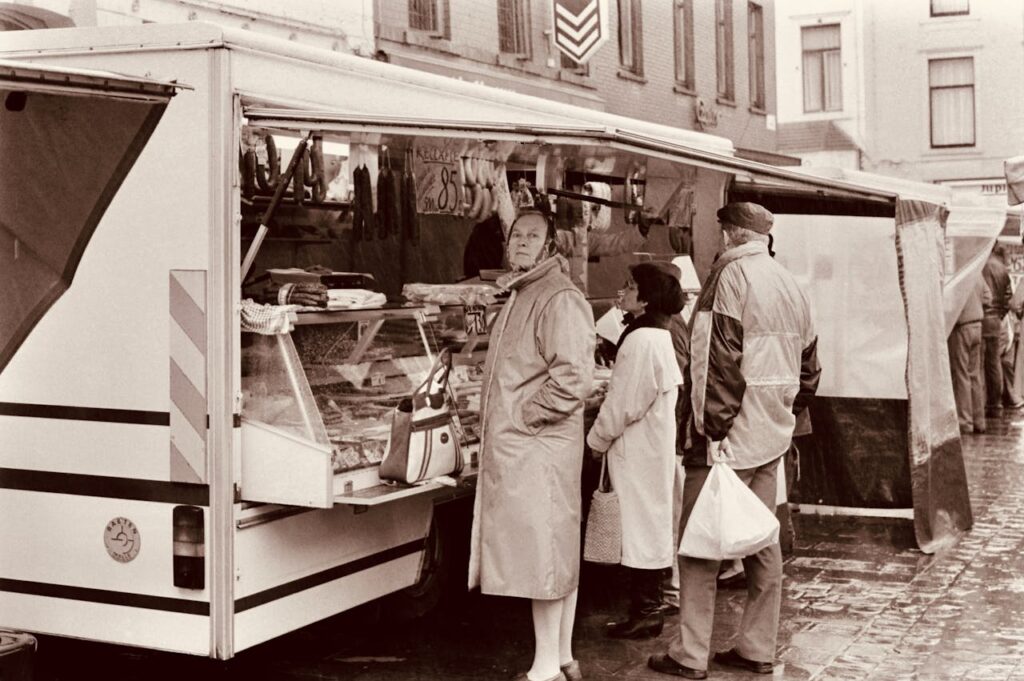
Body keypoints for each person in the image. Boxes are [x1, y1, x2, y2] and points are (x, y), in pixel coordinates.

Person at [649, 202, 821, 680]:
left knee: (700, 544)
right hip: (771, 436)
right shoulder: (790, 284)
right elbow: (809, 370)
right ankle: (757, 647)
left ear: (730, 234)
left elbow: (712, 362)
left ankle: (690, 654)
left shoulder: (728, 279)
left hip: (727, 440)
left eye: (721, 230)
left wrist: (711, 431)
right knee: (761, 540)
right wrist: (783, 412)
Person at [467, 209, 596, 681]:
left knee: (543, 556)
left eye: (532, 236)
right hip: (532, 448)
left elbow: (573, 378)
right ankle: (561, 657)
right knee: (553, 553)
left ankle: (545, 669)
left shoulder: (558, 296)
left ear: (550, 245)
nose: (521, 242)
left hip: (538, 448)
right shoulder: (523, 291)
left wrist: (524, 415)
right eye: (516, 235)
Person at [586, 262, 685, 640]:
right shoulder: (654, 333)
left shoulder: (641, 339)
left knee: (641, 529)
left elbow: (623, 404)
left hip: (638, 450)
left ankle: (646, 612)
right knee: (647, 526)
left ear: (645, 298)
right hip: (648, 448)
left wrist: (596, 441)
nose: (623, 291)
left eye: (630, 286)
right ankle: (645, 609)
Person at [948, 275, 986, 434]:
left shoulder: (959, 275)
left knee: (961, 375)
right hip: (977, 326)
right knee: (974, 375)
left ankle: (965, 422)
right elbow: (988, 298)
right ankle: (979, 421)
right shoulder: (977, 273)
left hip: (962, 327)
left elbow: (950, 304)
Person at [982, 244, 1013, 416]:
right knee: (994, 363)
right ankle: (996, 404)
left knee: (978, 365)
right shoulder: (1002, 269)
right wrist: (1000, 314)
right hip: (996, 321)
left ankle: (982, 404)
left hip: (982, 317)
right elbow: (1008, 297)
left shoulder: (980, 265)